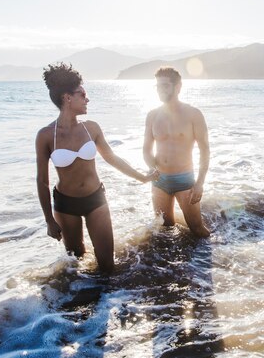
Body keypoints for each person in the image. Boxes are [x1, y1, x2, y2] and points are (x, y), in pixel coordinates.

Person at [36, 62, 157, 274]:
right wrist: (49, 220)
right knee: (76, 263)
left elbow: (112, 157)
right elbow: (42, 181)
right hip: (65, 205)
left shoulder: (91, 128)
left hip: (95, 199)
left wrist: (142, 177)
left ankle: (108, 302)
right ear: (67, 98)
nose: (87, 99)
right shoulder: (46, 135)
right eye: (82, 95)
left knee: (108, 265)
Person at [143, 66, 211, 238]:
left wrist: (200, 183)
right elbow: (146, 149)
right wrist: (152, 167)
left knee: (197, 230)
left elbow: (205, 150)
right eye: (158, 86)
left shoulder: (193, 114)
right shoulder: (152, 115)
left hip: (185, 180)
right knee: (165, 230)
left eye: (165, 86)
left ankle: (218, 261)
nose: (160, 90)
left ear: (178, 87)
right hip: (159, 181)